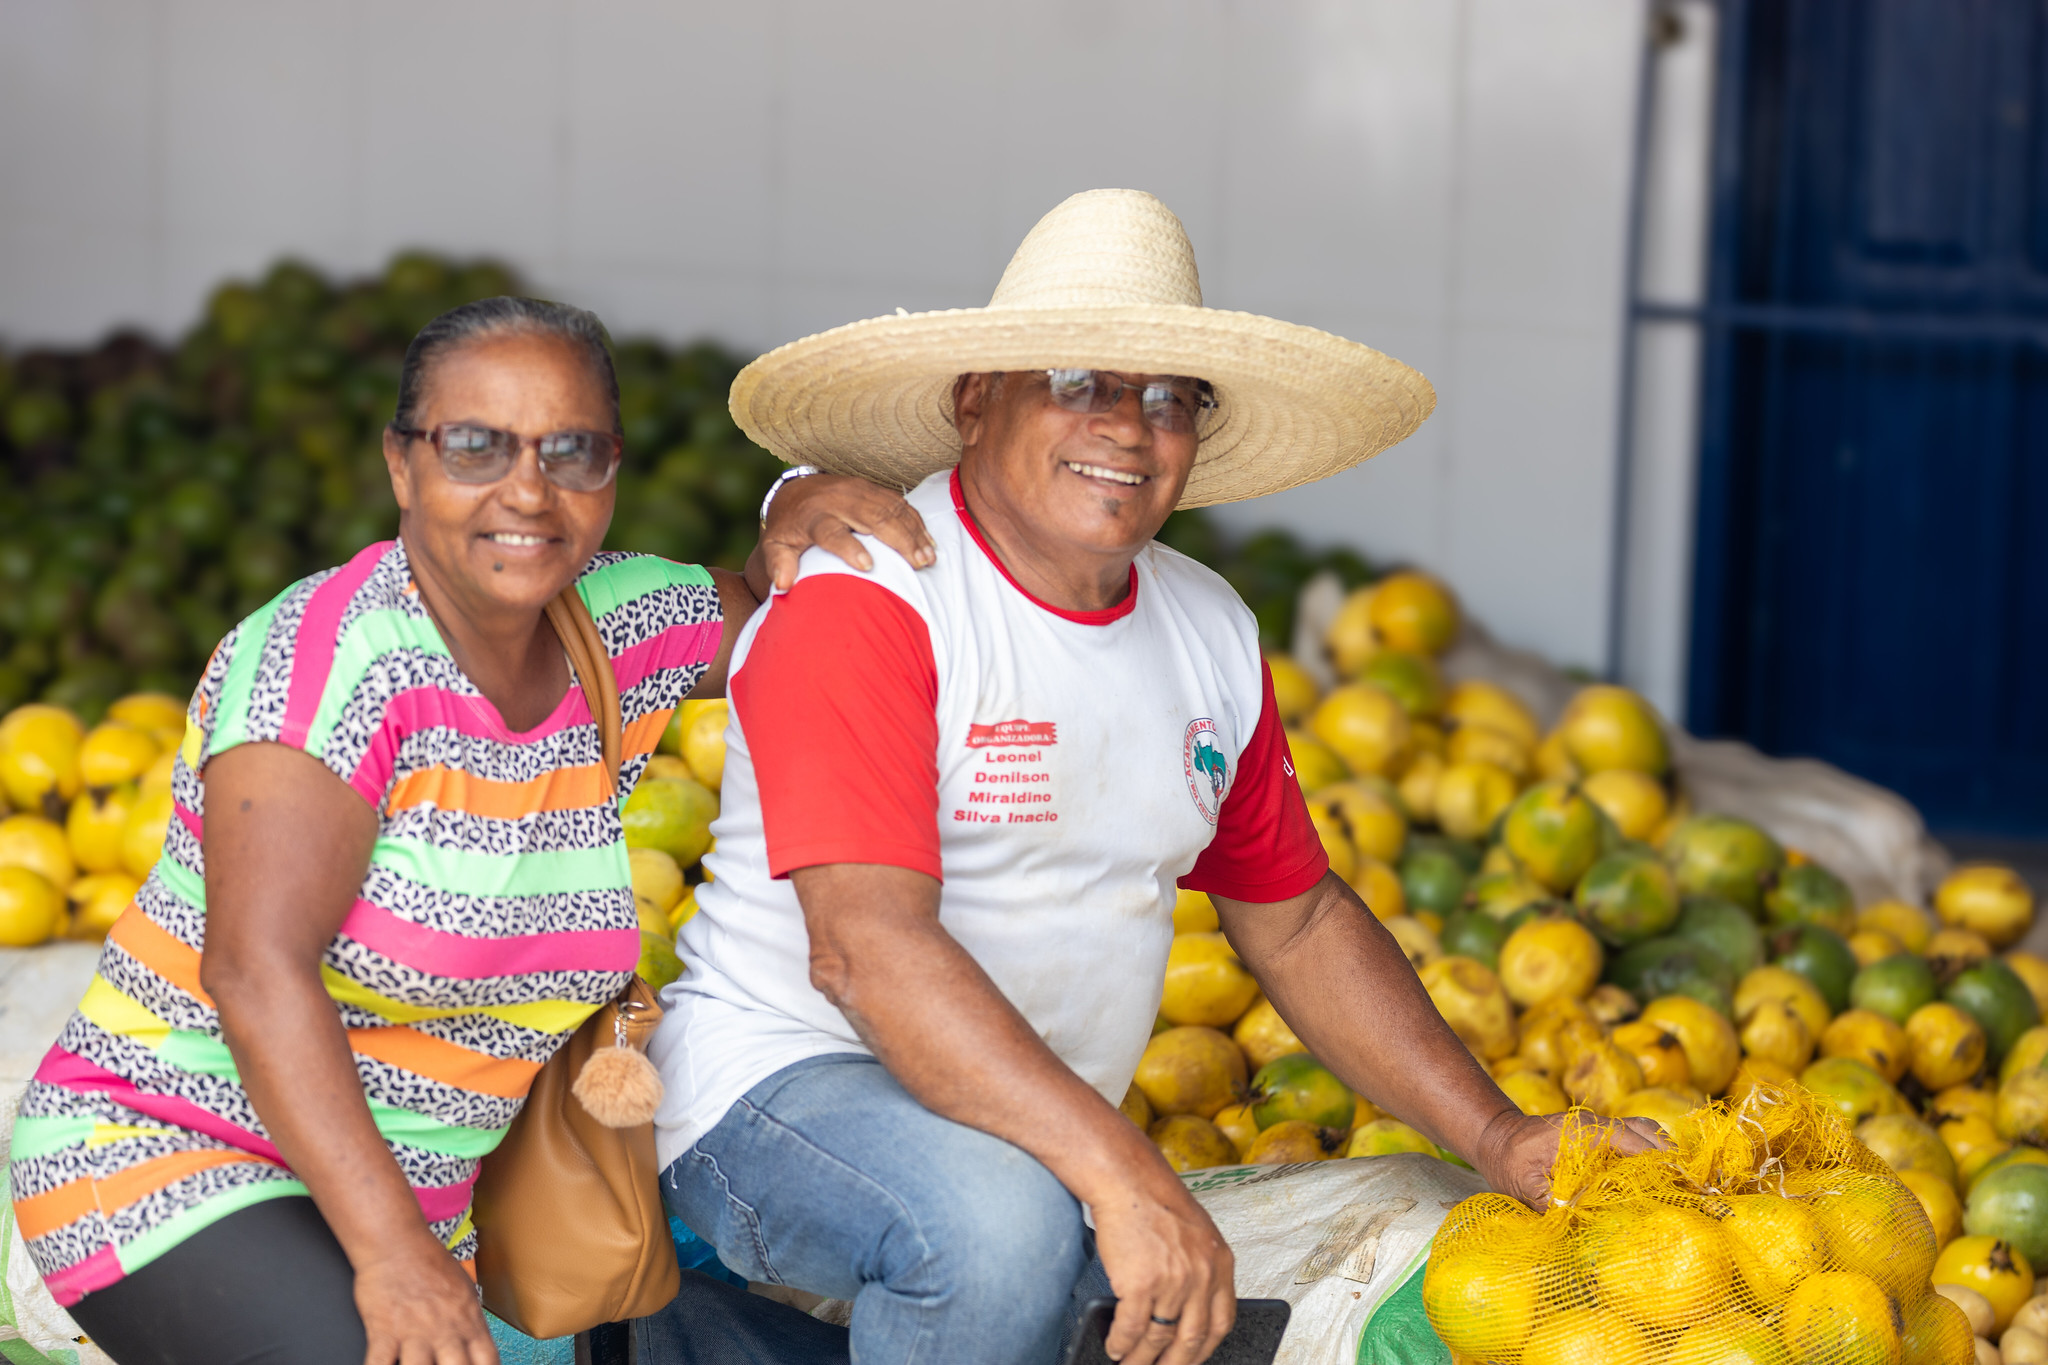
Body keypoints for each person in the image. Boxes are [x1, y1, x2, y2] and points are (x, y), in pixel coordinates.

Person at [646, 189, 1664, 1365]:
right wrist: (1122, 1173)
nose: (1129, 429)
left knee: (1121, 1273)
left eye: (1169, 398)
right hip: (779, 1086)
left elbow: (1297, 923)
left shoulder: (1207, 629)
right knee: (995, 1233)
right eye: (1078, 381)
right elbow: (864, 953)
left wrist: (1495, 1134)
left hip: (1025, 1128)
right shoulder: (870, 599)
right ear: (975, 401)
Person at [6, 295, 933, 1365]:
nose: (527, 490)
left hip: (424, 1210)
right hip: (171, 1158)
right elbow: (256, 973)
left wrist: (799, 502)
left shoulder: (616, 627)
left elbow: (788, 604)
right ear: (402, 465)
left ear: (613, 471)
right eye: (475, 446)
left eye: (570, 451)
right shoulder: (325, 664)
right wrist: (395, 1256)